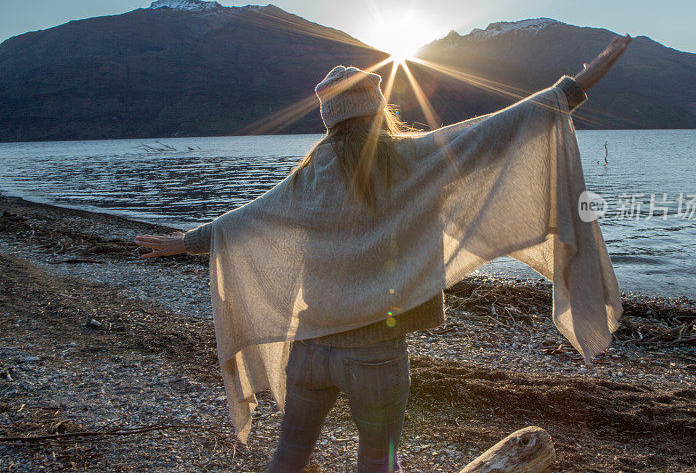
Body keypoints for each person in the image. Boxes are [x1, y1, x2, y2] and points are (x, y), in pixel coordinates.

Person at [134, 33, 631, 472]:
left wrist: (179, 243)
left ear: (330, 119)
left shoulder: (308, 175)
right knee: (377, 461)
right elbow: (505, 127)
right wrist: (584, 78)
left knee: (288, 456)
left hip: (310, 348)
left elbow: (244, 221)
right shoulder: (413, 157)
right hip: (375, 353)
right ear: (376, 107)